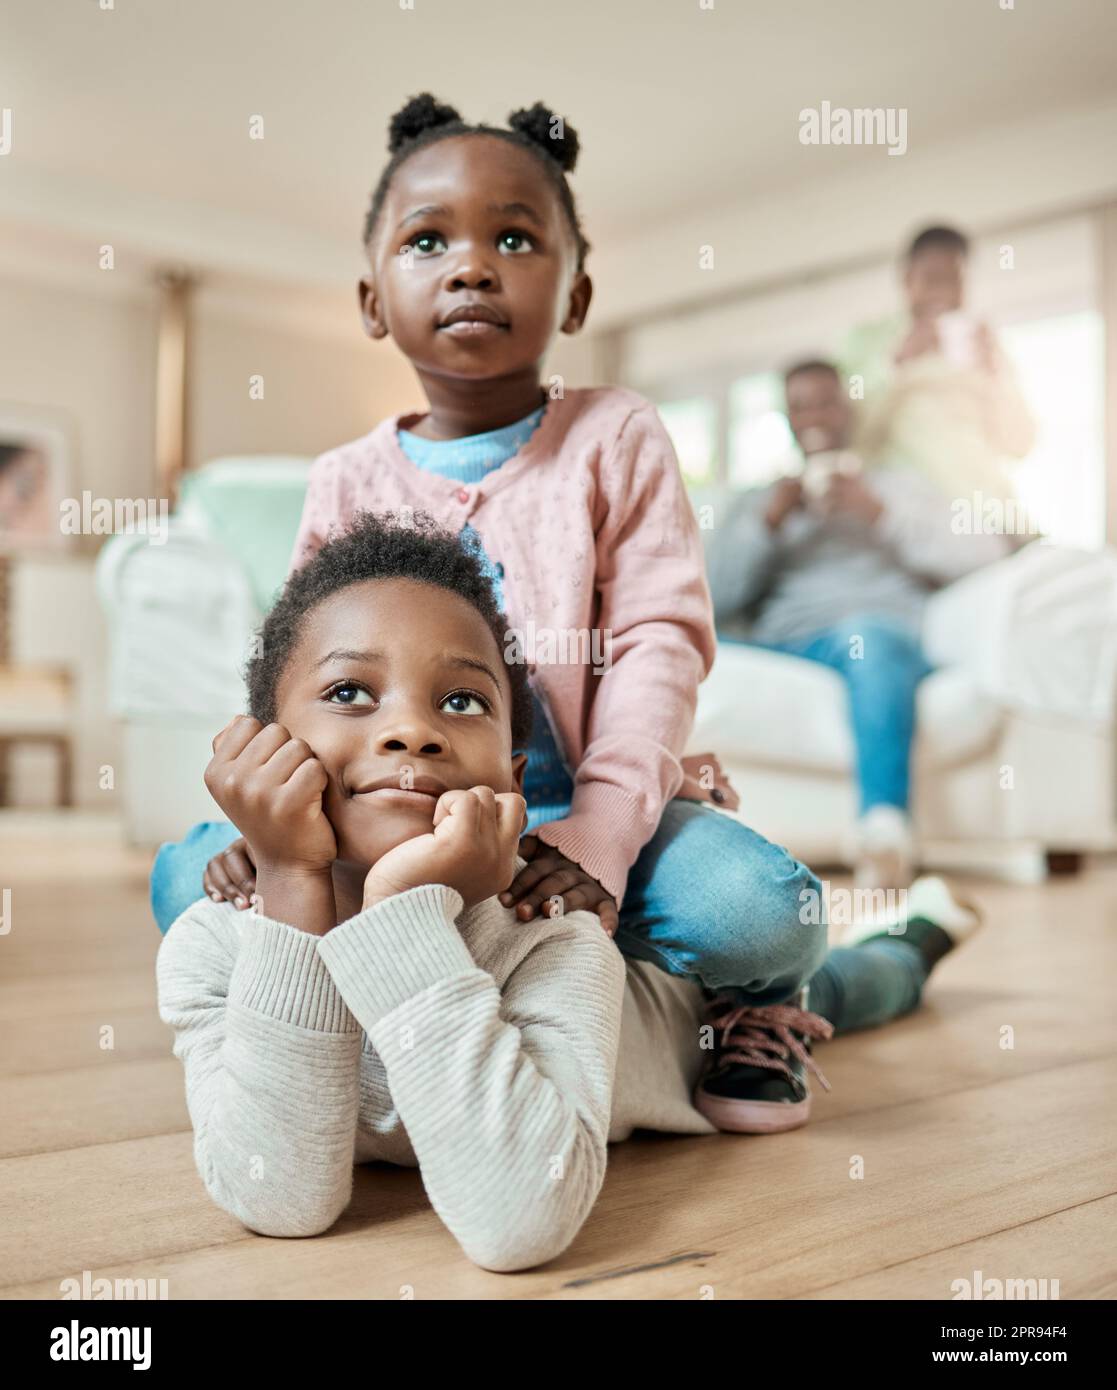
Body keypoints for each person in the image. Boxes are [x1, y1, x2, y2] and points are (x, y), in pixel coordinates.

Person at [156, 512, 985, 1268]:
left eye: (461, 700)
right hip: (286, 909)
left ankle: (916, 935)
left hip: (681, 1014)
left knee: (849, 987)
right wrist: (294, 883)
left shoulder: (550, 932)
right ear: (258, 750)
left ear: (513, 781)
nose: (411, 729)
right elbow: (280, 1199)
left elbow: (519, 1222)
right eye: (348, 693)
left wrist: (403, 906)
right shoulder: (209, 947)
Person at [707, 359, 1013, 890]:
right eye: (800, 406)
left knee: (868, 638)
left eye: (826, 401)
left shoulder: (895, 487)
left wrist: (878, 513)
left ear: (846, 409)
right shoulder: (760, 500)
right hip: (786, 640)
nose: (815, 416)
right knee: (670, 639)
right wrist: (770, 523)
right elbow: (709, 593)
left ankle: (885, 827)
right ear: (787, 419)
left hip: (873, 635)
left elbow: (984, 555)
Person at [840, 224, 1036, 511]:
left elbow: (1021, 445)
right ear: (907, 280)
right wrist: (897, 363)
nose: (943, 291)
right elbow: (850, 434)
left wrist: (997, 377)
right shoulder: (865, 341)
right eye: (932, 279)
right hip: (912, 510)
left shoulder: (983, 345)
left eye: (954, 280)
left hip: (990, 507)